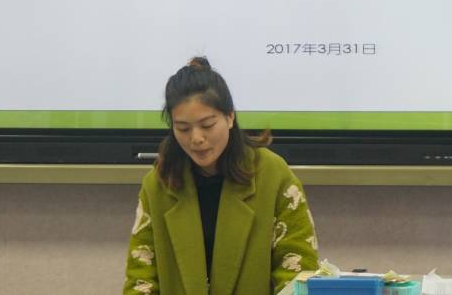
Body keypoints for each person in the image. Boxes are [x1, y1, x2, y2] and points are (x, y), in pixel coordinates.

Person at [123, 57, 319, 295]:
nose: (196, 138)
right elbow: (141, 280)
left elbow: (298, 276)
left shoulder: (273, 176)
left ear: (230, 117)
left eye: (207, 125)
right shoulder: (159, 183)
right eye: (183, 128)